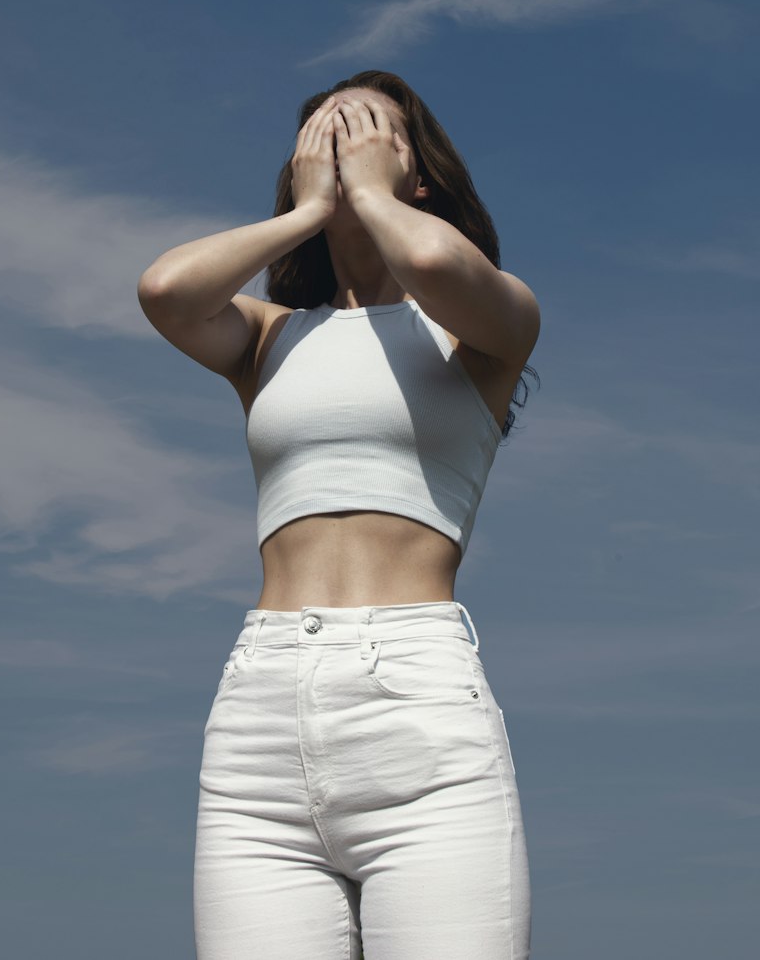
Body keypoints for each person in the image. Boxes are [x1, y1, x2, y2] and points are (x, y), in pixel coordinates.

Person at [137, 70, 541, 960]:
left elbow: (431, 263)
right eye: (319, 133)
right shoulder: (271, 337)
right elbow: (166, 289)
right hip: (259, 717)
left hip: (417, 706)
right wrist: (307, 211)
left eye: (364, 128)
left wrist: (368, 191)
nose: (337, 137)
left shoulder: (481, 326)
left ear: (418, 172)